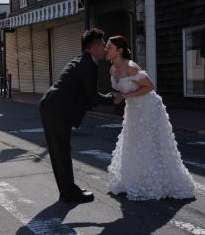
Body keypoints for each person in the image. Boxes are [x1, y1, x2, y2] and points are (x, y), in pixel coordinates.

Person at [105, 35, 195, 200]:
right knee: (133, 142)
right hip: (133, 109)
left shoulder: (131, 67)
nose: (106, 50)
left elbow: (150, 86)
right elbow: (123, 91)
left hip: (148, 108)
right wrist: (120, 96)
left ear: (120, 51)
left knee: (148, 144)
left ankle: (155, 183)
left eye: (109, 47)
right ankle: (133, 181)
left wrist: (125, 96)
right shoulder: (112, 69)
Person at [39, 28, 118, 203]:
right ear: (95, 46)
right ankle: (68, 193)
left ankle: (68, 189)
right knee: (61, 152)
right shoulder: (88, 64)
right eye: (103, 43)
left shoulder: (84, 60)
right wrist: (113, 98)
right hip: (55, 109)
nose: (105, 47)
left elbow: (86, 95)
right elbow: (92, 96)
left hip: (54, 107)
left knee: (62, 151)